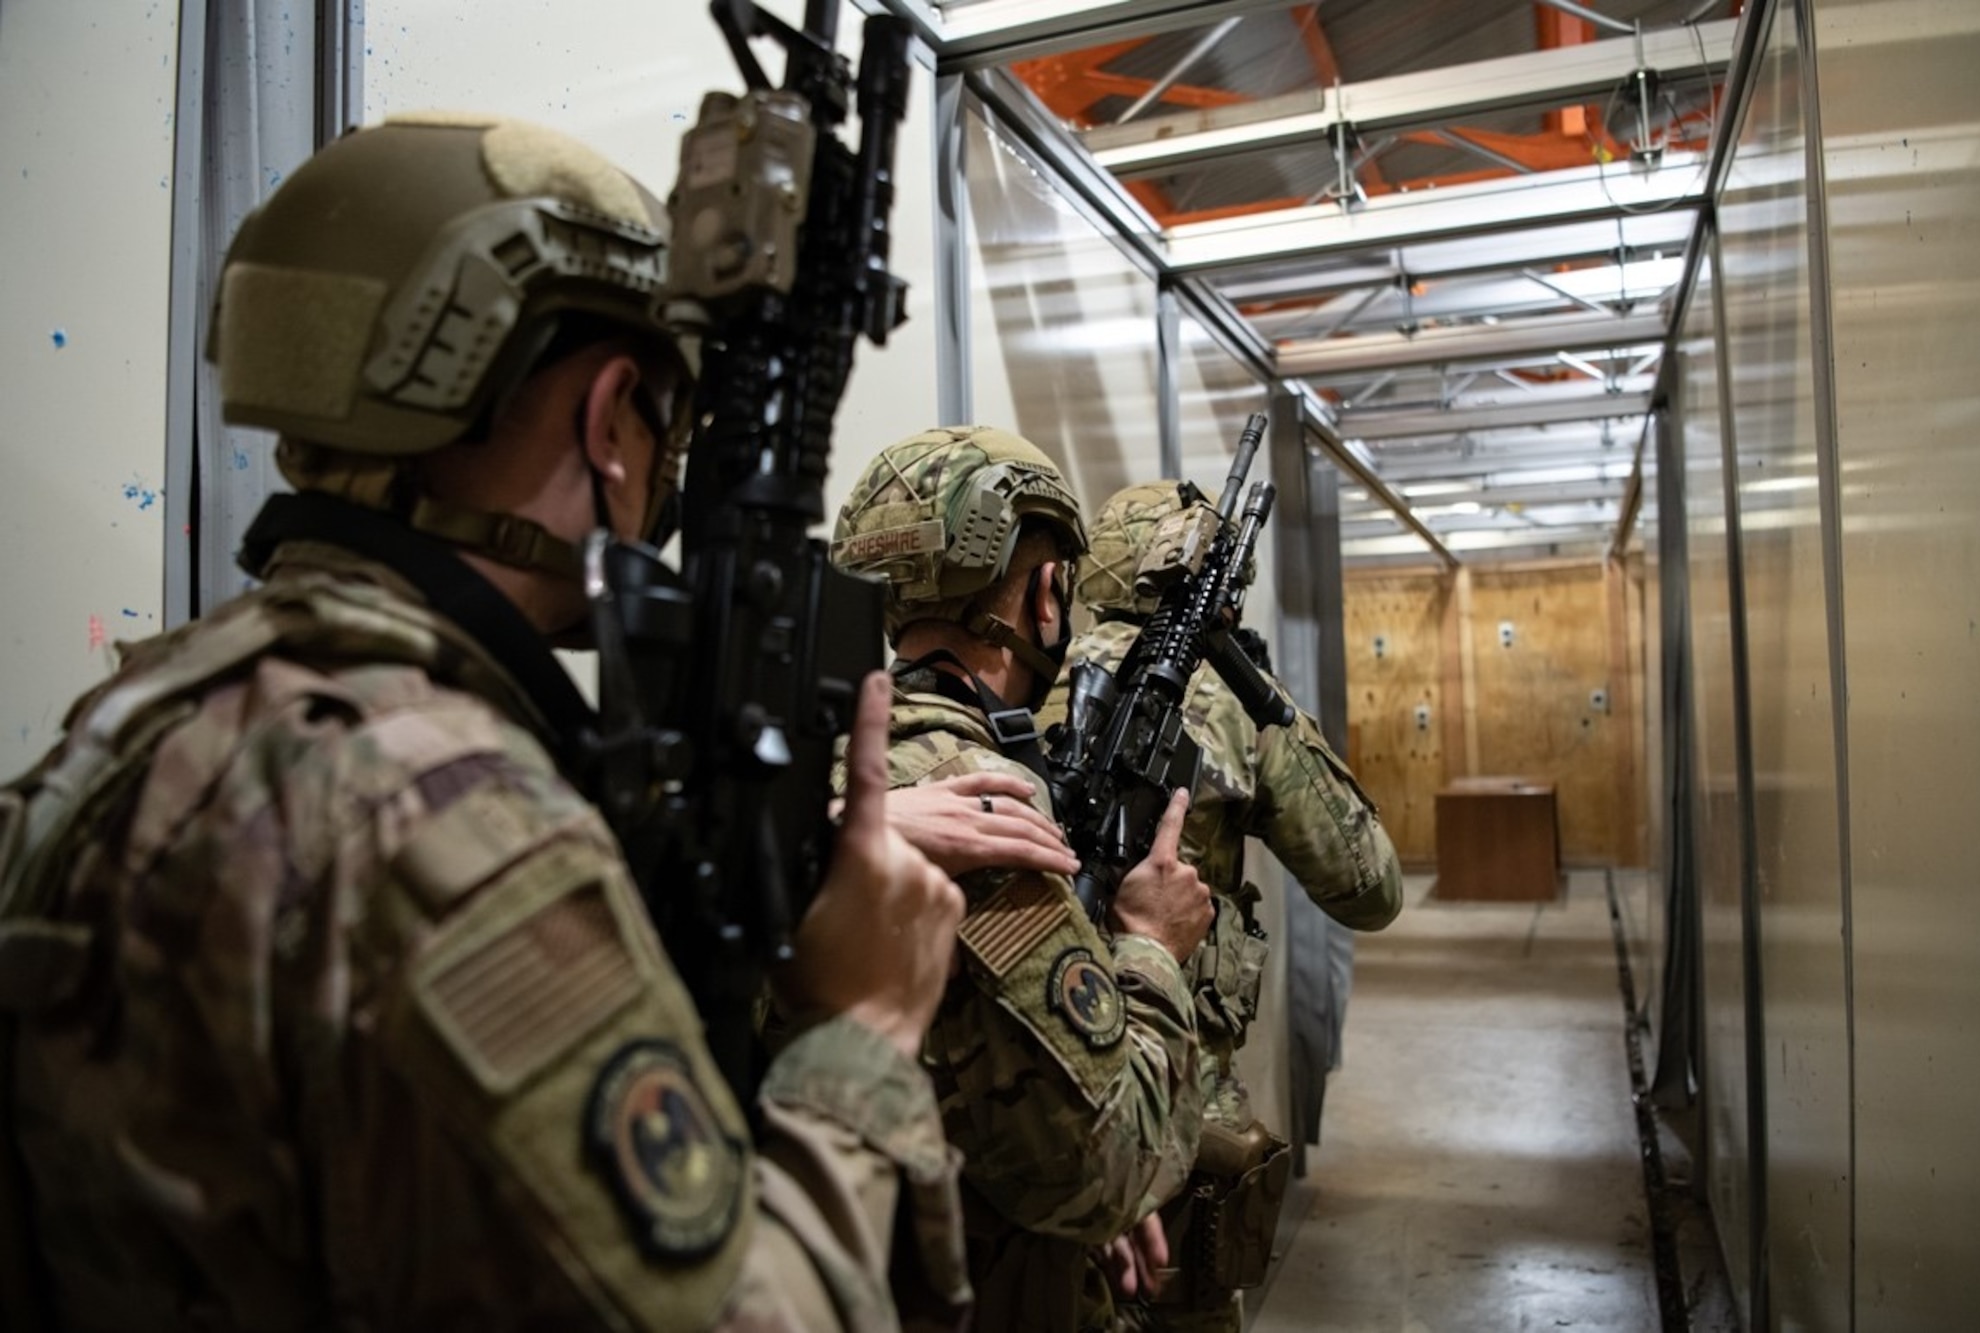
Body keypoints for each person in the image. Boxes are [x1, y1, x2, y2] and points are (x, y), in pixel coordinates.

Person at [0, 115, 972, 1332]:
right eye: (664, 417)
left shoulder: (145, 710)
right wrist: (868, 1027)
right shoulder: (448, 813)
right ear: (611, 418)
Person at [830, 427, 1215, 1332]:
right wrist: (1153, 948)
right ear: (1047, 591)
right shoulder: (979, 812)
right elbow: (1104, 1165)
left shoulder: (836, 765)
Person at [1049, 479, 1404, 1333]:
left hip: (1042, 1092)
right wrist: (1269, 699)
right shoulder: (1225, 702)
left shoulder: (1021, 685)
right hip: (1176, 1105)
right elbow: (1370, 885)